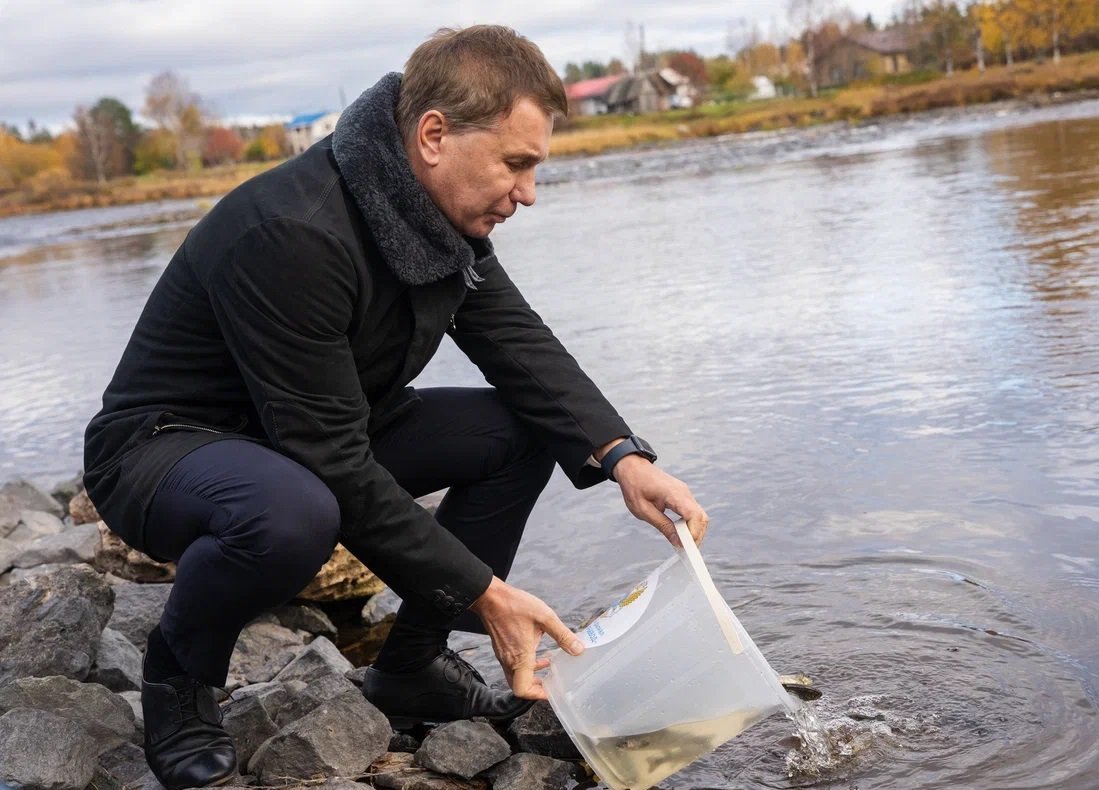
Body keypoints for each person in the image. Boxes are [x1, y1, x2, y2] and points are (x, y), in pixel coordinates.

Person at [83, 25, 708, 789]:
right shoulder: (294, 231)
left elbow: (516, 342)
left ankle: (410, 669)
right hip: (169, 447)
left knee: (520, 430)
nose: (528, 192)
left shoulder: (438, 212)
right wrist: (486, 593)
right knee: (294, 515)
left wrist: (623, 457)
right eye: (516, 164)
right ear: (434, 135)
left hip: (318, 427)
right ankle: (178, 674)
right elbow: (329, 458)